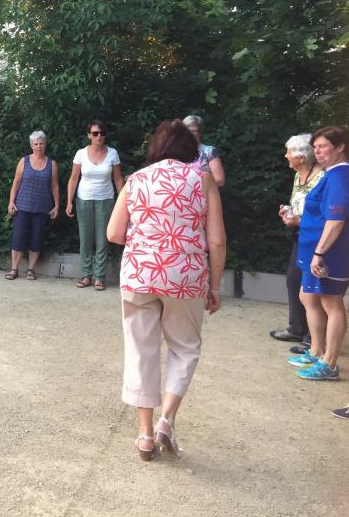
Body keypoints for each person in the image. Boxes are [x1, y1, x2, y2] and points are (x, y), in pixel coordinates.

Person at [107, 119, 225, 461]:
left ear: (156, 147)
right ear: (190, 149)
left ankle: (144, 435)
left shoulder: (136, 179)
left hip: (140, 274)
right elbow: (216, 239)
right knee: (185, 347)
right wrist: (214, 286)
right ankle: (166, 420)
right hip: (186, 276)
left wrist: (149, 242)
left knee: (140, 349)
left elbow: (114, 233)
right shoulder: (202, 179)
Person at [288, 125, 349, 381]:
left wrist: (320, 252)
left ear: (340, 147)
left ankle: (329, 364)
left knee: (331, 303)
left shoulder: (339, 175)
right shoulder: (330, 173)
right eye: (315, 148)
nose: (318, 152)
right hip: (314, 247)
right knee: (308, 296)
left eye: (323, 146)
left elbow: (336, 219)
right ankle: (316, 350)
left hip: (330, 252)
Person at [269, 134, 323, 345]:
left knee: (313, 288)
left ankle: (313, 339)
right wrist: (289, 213)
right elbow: (301, 205)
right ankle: (297, 328)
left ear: (301, 157)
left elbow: (322, 213)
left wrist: (298, 220)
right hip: (301, 236)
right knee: (294, 280)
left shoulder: (322, 177)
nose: (286, 155)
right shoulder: (298, 176)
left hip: (318, 238)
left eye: (289, 152)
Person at [66, 120, 123, 290]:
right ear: (89, 135)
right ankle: (86, 275)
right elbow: (74, 178)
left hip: (106, 200)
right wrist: (69, 201)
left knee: (102, 240)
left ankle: (99, 277)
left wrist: (123, 201)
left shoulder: (113, 153)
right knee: (85, 239)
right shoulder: (81, 154)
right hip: (84, 199)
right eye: (95, 133)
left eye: (102, 133)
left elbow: (118, 178)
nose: (99, 136)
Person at [5, 130, 60, 280]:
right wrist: (11, 202)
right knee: (18, 237)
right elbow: (16, 183)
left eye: (41, 143)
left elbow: (55, 186)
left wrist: (56, 205)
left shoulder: (52, 164)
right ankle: (14, 269)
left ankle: (31, 269)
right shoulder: (24, 161)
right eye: (36, 144)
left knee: (36, 238)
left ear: (45, 144)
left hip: (42, 208)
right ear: (31, 145)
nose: (39, 146)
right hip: (22, 206)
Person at [182, 115, 225, 187]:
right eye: (187, 131)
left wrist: (193, 185)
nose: (189, 134)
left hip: (203, 196)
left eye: (193, 131)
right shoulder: (177, 153)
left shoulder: (209, 151)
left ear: (200, 132)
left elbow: (220, 181)